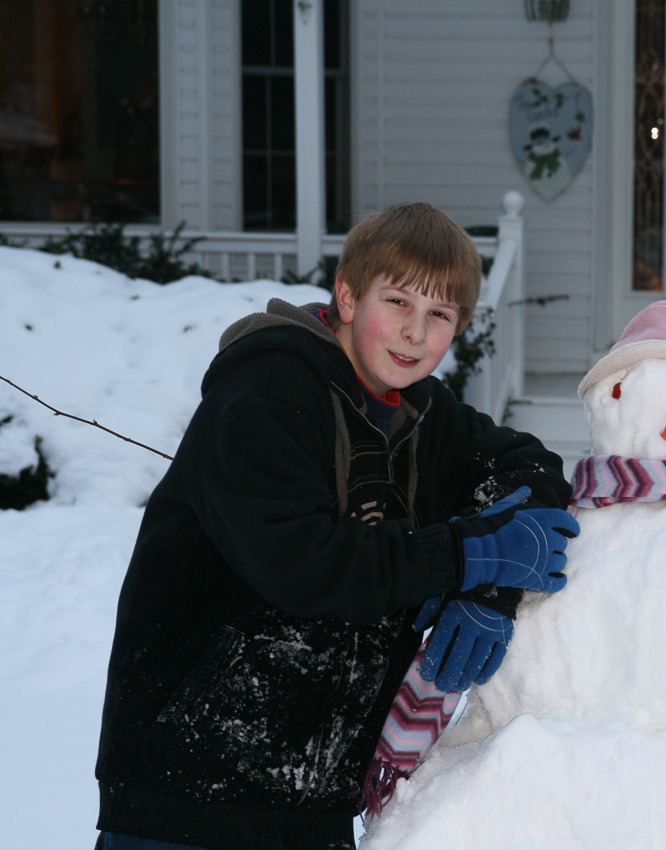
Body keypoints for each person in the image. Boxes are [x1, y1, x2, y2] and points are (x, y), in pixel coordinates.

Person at [94, 203, 578, 850]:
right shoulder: (266, 395)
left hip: (313, 807)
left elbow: (532, 470)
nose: (414, 333)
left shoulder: (422, 416)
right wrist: (469, 556)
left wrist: (487, 590)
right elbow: (306, 563)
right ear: (347, 297)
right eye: (397, 302)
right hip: (186, 794)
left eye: (439, 315)